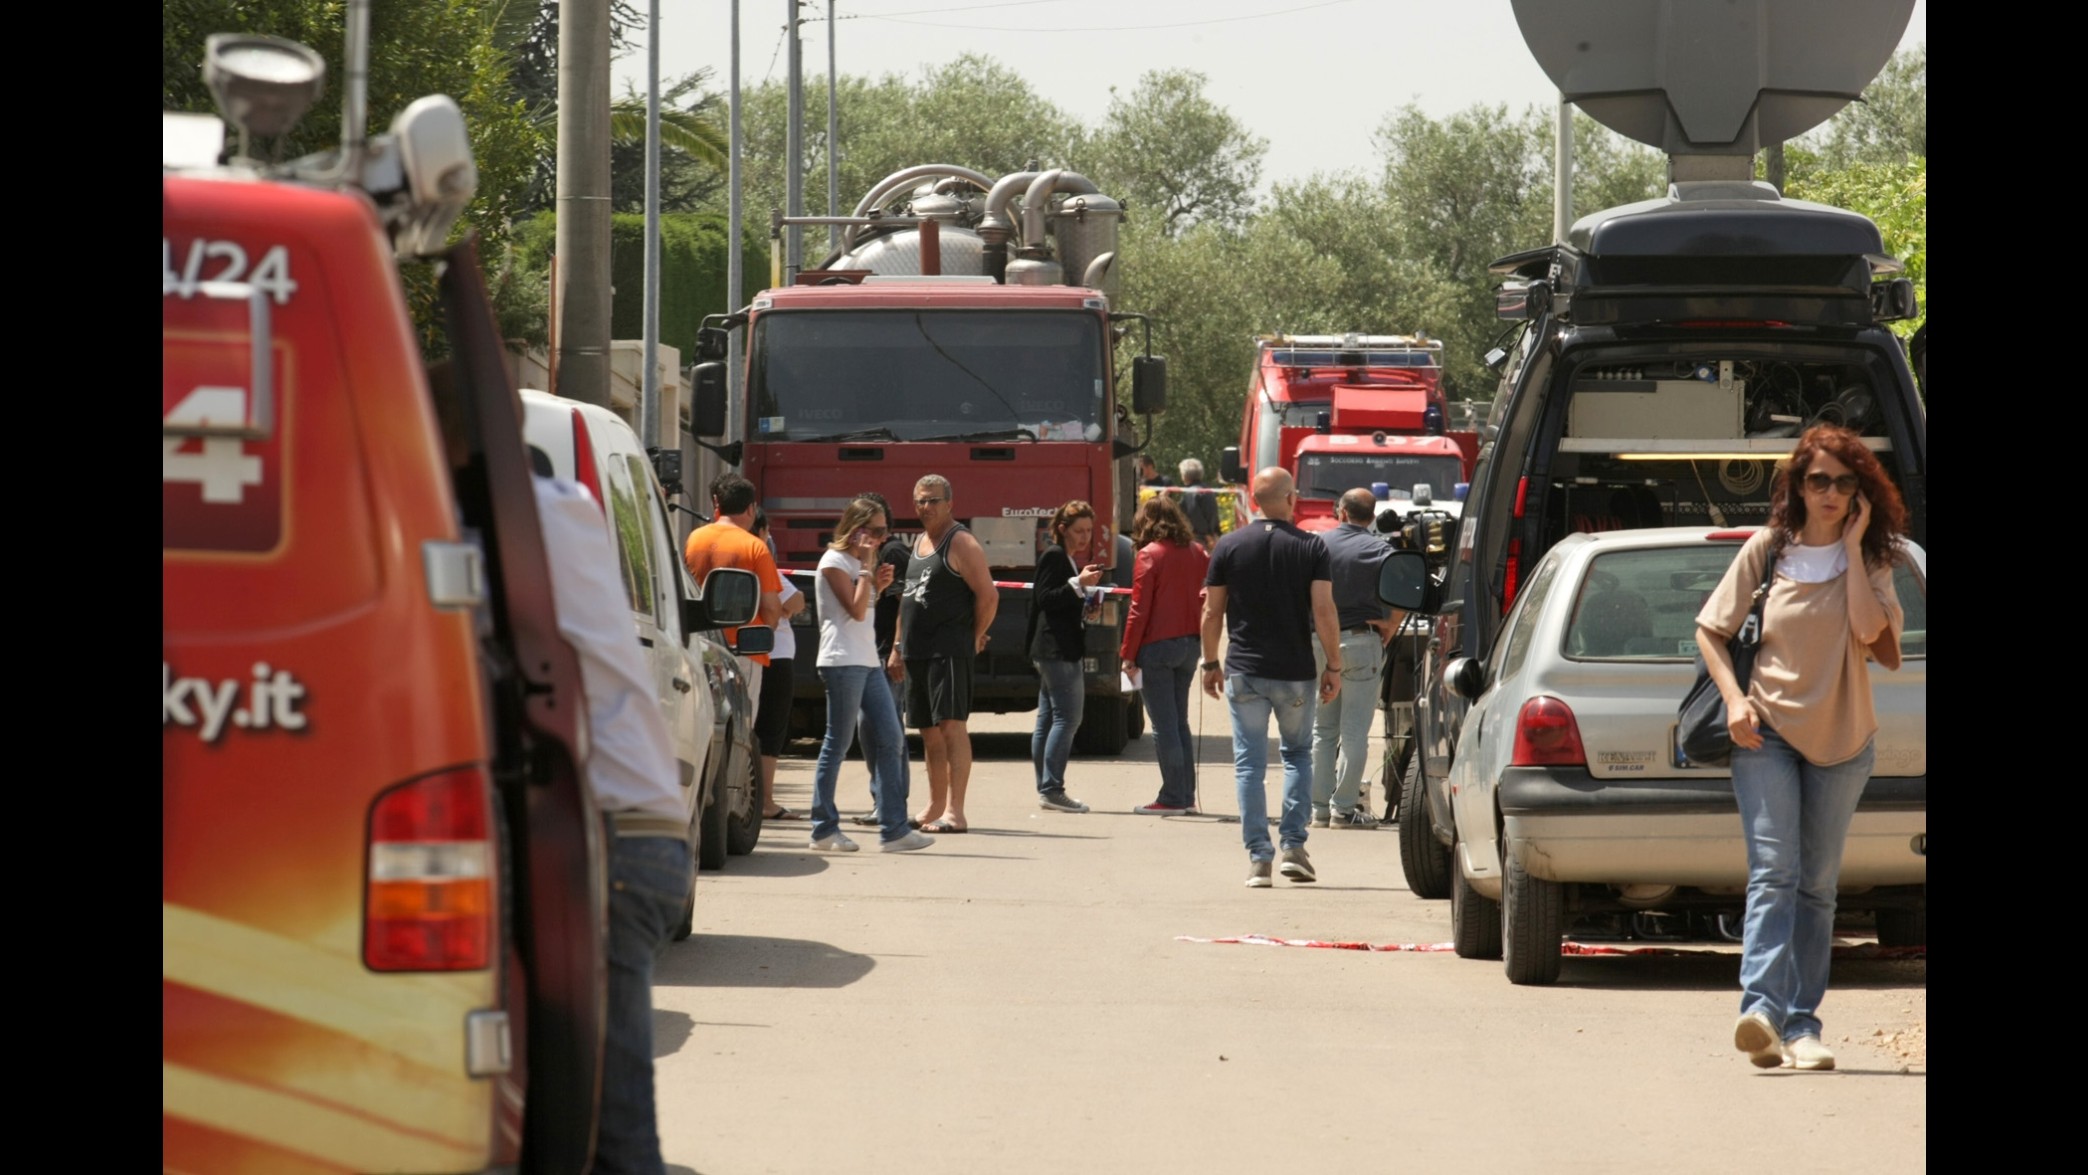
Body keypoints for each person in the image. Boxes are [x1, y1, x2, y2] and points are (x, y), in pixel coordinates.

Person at [1696, 424, 1906, 1072]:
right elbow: (1710, 628)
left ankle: (1802, 1025)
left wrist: (1849, 548)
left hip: (1844, 739)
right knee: (1774, 873)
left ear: (1860, 491)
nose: (1831, 492)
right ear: (1797, 483)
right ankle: (1759, 1011)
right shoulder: (1768, 549)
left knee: (1816, 887)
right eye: (1819, 480)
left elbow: (1875, 637)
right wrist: (1735, 698)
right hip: (1768, 735)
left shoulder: (1870, 560)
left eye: (1845, 482)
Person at [534, 473, 688, 1174]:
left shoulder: (531, 515)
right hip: (639, 835)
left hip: (618, 843)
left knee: (616, 1121)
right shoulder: (562, 508)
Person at [1201, 467, 1342, 887]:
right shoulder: (1311, 547)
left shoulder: (1229, 545)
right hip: (1295, 671)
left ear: (1255, 500)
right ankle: (1293, 847)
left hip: (1244, 669)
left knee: (1248, 765)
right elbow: (1323, 611)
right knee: (1297, 755)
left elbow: (1212, 611)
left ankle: (1259, 858)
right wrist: (1333, 665)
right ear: (1290, 498)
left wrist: (1210, 662)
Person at [809, 497, 936, 853]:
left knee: (892, 737)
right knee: (838, 742)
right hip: (841, 660)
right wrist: (867, 569)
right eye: (877, 531)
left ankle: (894, 829)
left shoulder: (857, 562)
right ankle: (823, 828)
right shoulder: (833, 561)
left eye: (884, 531)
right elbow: (853, 610)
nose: (882, 538)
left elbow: (865, 606)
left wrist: (877, 584)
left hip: (866, 660)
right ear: (857, 529)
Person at [893, 474, 997, 833]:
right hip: (916, 651)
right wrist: (897, 647)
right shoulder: (920, 541)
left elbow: (989, 596)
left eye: (933, 500)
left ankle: (956, 812)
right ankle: (934, 806)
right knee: (928, 731)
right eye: (920, 500)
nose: (926, 507)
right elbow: (907, 600)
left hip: (948, 650)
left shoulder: (961, 542)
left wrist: (974, 636)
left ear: (950, 503)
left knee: (951, 727)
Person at [682, 474, 786, 810]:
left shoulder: (694, 539)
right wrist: (762, 634)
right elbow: (771, 608)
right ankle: (729, 806)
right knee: (739, 734)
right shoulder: (754, 546)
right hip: (743, 650)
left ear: (716, 505)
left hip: (698, 646)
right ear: (752, 508)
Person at [1311, 488, 1399, 830]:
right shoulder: (1381, 549)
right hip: (1363, 642)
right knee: (1354, 733)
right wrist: (1390, 624)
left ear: (1341, 513)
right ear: (1372, 517)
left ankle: (1317, 809)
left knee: (1323, 730)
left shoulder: (1317, 545)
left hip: (1319, 644)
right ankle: (1343, 810)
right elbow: (1404, 590)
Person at [1119, 494, 1210, 815]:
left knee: (1163, 726)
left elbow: (1138, 610)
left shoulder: (1148, 555)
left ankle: (1172, 796)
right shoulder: (1198, 552)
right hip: (1189, 643)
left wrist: (1128, 654)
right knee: (1179, 722)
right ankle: (1185, 794)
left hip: (1156, 646)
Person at [1027, 500, 1106, 814]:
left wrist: (1087, 604)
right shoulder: (1055, 556)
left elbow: (1061, 601)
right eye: (1079, 531)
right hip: (1056, 650)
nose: (1085, 536)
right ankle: (1052, 788)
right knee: (1068, 718)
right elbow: (1045, 598)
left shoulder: (1069, 559)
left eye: (1089, 530)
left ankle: (1046, 786)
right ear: (1062, 530)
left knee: (1048, 720)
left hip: (1056, 648)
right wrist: (1078, 585)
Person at [850, 489, 915, 829]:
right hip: (867, 654)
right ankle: (883, 799)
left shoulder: (893, 551)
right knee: (869, 729)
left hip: (886, 655)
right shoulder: (866, 557)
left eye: (873, 527)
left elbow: (906, 601)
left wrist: (897, 650)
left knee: (886, 731)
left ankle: (891, 802)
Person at [749, 508, 807, 821]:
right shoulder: (760, 560)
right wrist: (782, 610)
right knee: (771, 731)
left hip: (743, 651)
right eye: (767, 530)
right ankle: (766, 801)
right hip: (775, 654)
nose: (770, 537)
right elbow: (795, 601)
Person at [1176, 457, 1221, 550]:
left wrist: (1207, 536)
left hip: (1200, 538)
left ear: (1185, 475)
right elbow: (1214, 513)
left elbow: (1195, 516)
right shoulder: (1208, 489)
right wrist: (1215, 533)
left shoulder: (1190, 493)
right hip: (1212, 535)